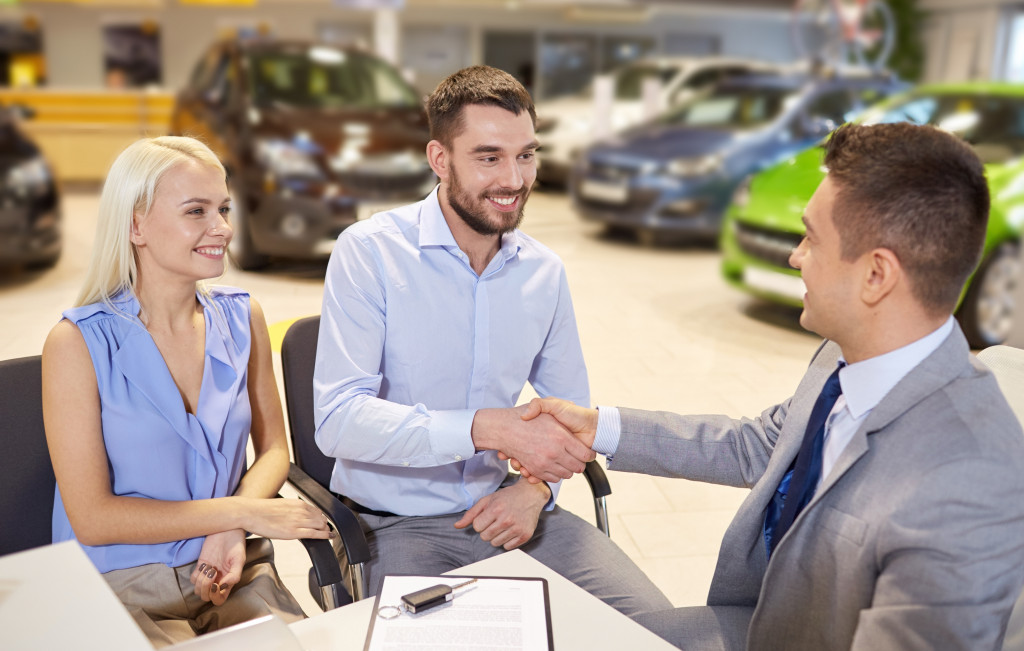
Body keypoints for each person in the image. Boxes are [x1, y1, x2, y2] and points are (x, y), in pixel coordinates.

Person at [517, 123, 1024, 649]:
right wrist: (599, 427)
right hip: (759, 621)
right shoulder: (846, 352)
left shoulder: (968, 480)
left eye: (812, 237)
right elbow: (762, 445)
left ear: (877, 276)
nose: (795, 256)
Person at [313, 65, 671, 617]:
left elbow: (570, 415)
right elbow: (338, 420)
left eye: (526, 155)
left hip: (510, 510)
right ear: (440, 159)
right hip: (394, 526)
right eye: (488, 157)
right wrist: (484, 427)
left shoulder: (543, 272)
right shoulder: (369, 254)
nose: (513, 178)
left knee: (658, 628)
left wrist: (533, 492)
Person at [42, 136, 332, 648]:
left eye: (222, 208)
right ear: (135, 225)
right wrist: (242, 514)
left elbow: (273, 452)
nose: (221, 228)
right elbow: (92, 517)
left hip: (230, 567)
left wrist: (228, 532)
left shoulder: (243, 317)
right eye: (195, 211)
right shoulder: (76, 344)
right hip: (121, 584)